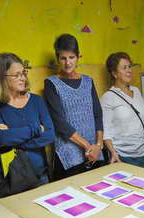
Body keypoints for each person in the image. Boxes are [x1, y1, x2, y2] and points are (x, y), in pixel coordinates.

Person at [0, 53, 55, 187]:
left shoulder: (36, 100)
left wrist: (14, 137)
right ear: (1, 77)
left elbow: (50, 134)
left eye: (23, 73)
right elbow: (2, 138)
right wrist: (37, 129)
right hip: (11, 181)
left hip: (41, 175)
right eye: (16, 75)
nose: (23, 78)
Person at [44, 34, 106, 179]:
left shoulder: (88, 81)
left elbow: (97, 114)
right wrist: (88, 146)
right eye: (63, 58)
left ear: (78, 57)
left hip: (95, 152)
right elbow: (59, 123)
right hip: (68, 153)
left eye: (71, 57)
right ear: (58, 59)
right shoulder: (51, 83)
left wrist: (98, 145)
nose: (67, 63)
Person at [100, 52, 144, 169]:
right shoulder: (108, 98)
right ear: (114, 73)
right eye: (124, 68)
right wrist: (113, 153)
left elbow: (140, 120)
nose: (129, 70)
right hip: (123, 156)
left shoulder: (136, 91)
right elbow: (106, 132)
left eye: (129, 67)